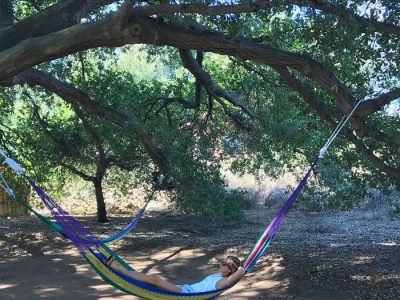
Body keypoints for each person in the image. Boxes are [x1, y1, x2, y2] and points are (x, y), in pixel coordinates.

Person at [106, 255, 245, 293]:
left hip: (187, 294)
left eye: (225, 264)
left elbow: (239, 274)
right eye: (222, 262)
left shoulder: (223, 282)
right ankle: (119, 270)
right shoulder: (219, 276)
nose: (221, 264)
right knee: (147, 283)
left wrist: (243, 269)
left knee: (153, 279)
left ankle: (117, 269)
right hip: (184, 288)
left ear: (230, 270)